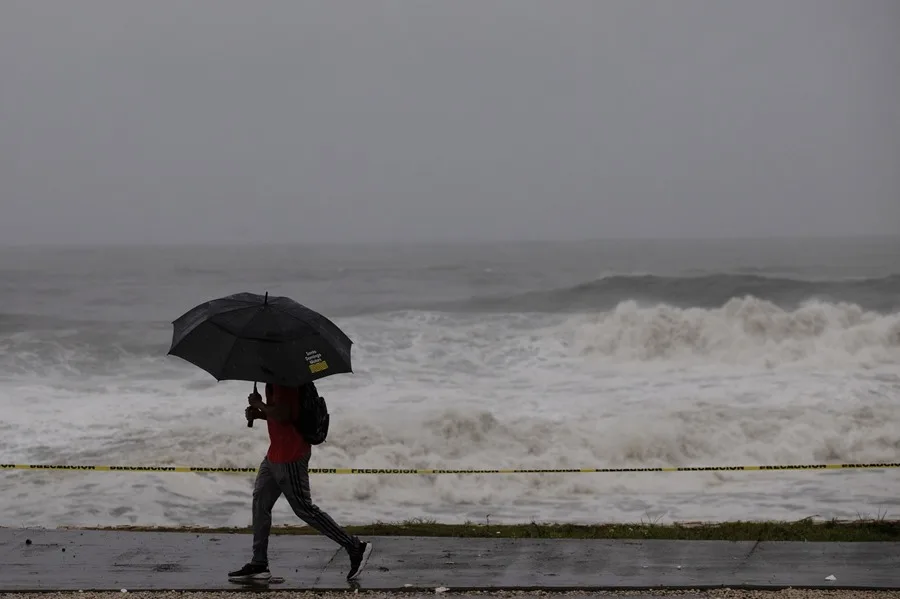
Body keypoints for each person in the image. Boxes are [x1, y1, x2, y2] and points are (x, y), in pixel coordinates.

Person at [228, 382, 373, 582]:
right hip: (274, 455)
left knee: (304, 509)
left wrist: (260, 404)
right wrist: (259, 414)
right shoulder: (274, 378)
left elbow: (284, 415)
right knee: (260, 501)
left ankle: (355, 546)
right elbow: (281, 415)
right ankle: (259, 563)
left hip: (291, 456)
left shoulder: (285, 381)